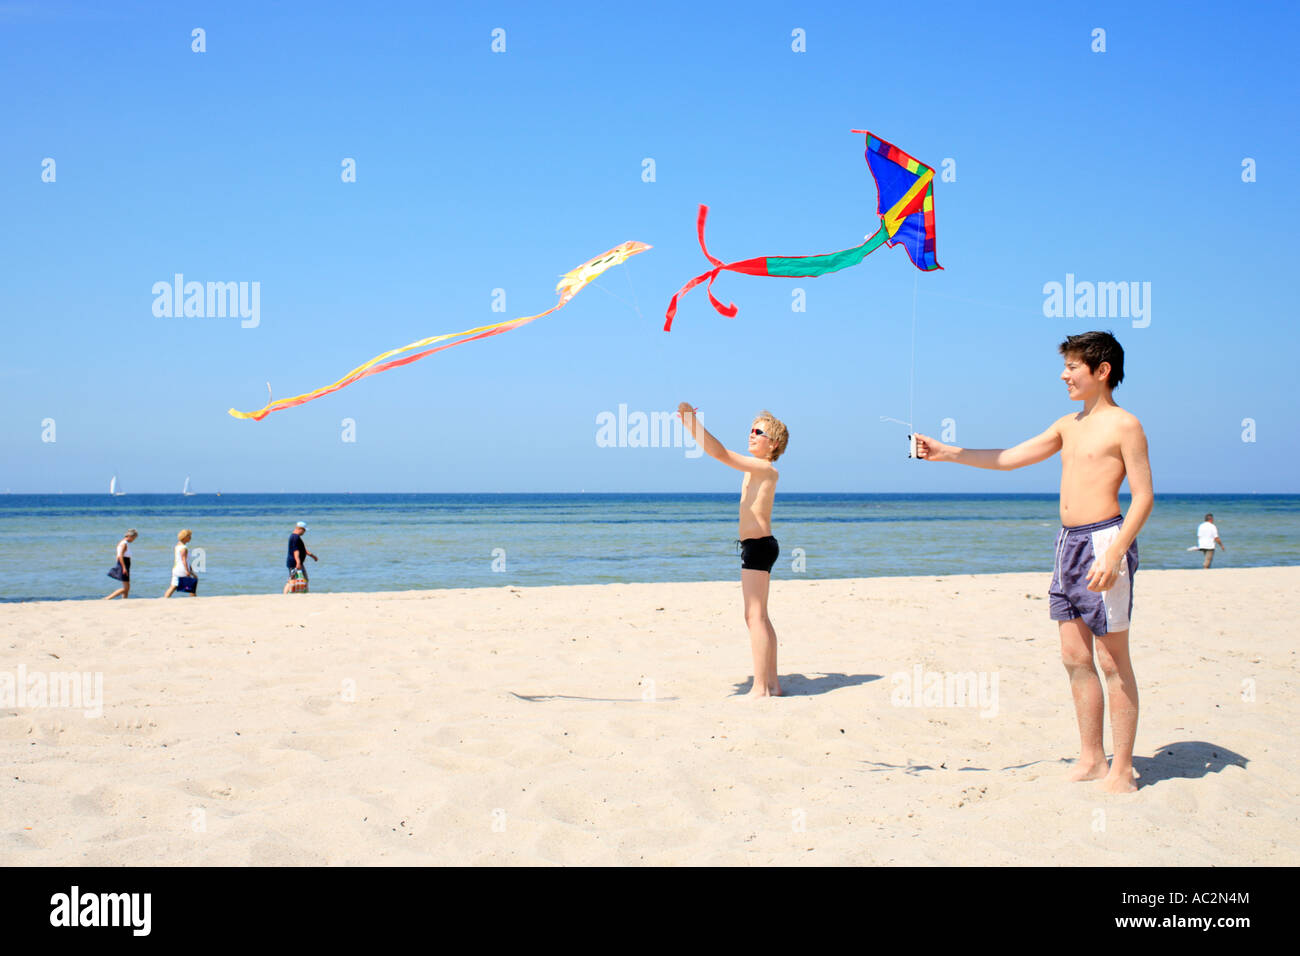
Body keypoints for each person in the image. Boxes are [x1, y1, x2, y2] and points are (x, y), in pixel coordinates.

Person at [914, 331, 1153, 794]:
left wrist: (1116, 551)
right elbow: (1009, 458)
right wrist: (946, 452)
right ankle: (1091, 757)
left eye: (1073, 367)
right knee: (1073, 655)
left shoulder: (1126, 425)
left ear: (1101, 371)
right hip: (1067, 545)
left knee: (1111, 659)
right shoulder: (1067, 424)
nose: (1064, 375)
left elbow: (1143, 496)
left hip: (1105, 541)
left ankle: (1122, 767)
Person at [678, 404, 789, 698]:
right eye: (751, 430)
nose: (752, 435)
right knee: (760, 616)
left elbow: (719, 453)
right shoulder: (756, 468)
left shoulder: (765, 468)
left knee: (754, 617)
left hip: (759, 548)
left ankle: (761, 687)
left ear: (774, 444)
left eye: (759, 432)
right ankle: (773, 684)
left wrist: (692, 424)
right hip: (757, 547)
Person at [283, 521, 318, 594]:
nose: (304, 532)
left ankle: (305, 594)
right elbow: (295, 551)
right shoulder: (295, 537)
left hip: (296, 562)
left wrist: (312, 556)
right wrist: (298, 562)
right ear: (300, 529)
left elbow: (302, 549)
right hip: (294, 563)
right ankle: (285, 595)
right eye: (304, 530)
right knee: (292, 579)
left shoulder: (295, 537)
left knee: (302, 579)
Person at [104, 529, 138, 600]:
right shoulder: (124, 544)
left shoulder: (121, 542)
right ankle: (107, 598)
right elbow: (121, 556)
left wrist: (120, 565)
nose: (133, 540)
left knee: (127, 586)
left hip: (123, 564)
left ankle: (124, 600)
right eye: (134, 538)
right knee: (126, 588)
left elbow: (118, 556)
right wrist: (124, 567)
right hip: (124, 564)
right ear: (129, 536)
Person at [163, 529, 194, 598]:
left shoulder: (177, 546)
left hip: (176, 568)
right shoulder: (184, 548)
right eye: (189, 536)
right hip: (182, 569)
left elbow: (182, 559)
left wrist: (190, 569)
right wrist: (187, 571)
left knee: (173, 586)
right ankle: (194, 600)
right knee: (191, 585)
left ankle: (164, 599)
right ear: (185, 537)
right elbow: (184, 560)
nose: (190, 538)